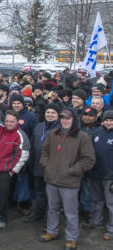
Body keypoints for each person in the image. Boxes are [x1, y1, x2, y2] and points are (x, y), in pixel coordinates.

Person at [39, 107, 95, 250]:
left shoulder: (82, 137)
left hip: (70, 181)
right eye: (63, 118)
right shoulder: (52, 134)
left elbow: (89, 159)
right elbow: (44, 151)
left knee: (71, 212)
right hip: (51, 179)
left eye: (68, 118)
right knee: (52, 209)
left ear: (73, 120)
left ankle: (71, 238)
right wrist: (47, 165)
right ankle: (52, 231)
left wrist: (72, 171)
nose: (64, 121)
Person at [26, 103, 60, 223]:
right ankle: (38, 213)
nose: (50, 115)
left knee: (52, 196)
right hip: (37, 167)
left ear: (58, 115)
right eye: (48, 112)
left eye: (53, 113)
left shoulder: (60, 129)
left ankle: (49, 220)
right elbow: (32, 144)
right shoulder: (39, 126)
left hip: (52, 169)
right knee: (39, 193)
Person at [83, 110, 113, 241]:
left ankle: (112, 228)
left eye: (111, 120)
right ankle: (95, 221)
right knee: (96, 200)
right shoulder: (97, 133)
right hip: (96, 174)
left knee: (111, 203)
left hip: (110, 176)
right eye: (106, 120)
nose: (109, 122)